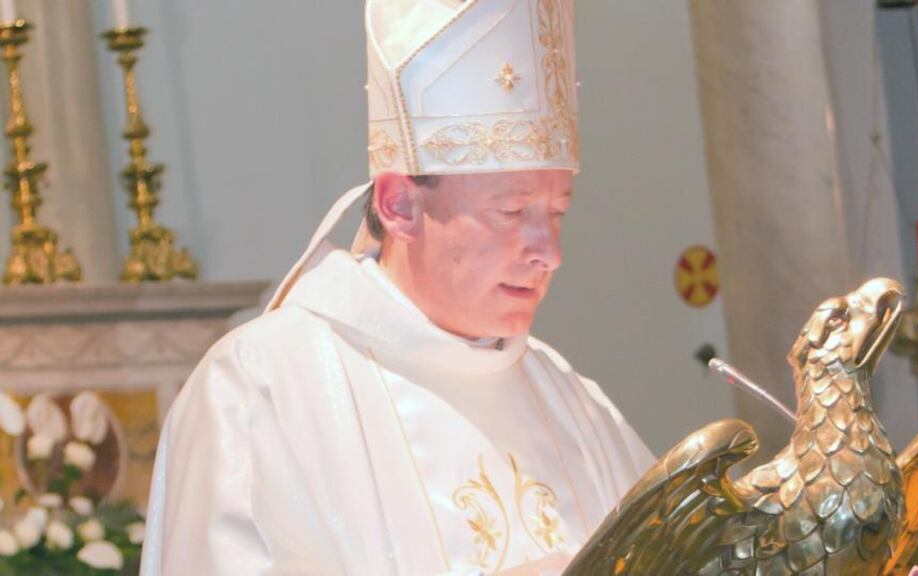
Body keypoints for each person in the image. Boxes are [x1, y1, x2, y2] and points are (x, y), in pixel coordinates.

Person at [141, 1, 654, 574]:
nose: (550, 253)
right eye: (511, 212)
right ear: (399, 205)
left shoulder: (569, 399)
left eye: (558, 212)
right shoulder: (261, 390)